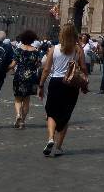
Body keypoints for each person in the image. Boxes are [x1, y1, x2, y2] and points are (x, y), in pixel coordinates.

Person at [39, 23, 87, 157]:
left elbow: (47, 70)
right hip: (71, 84)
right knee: (65, 115)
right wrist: (84, 83)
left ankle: (50, 138)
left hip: (55, 83)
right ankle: (59, 147)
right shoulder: (78, 50)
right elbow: (83, 68)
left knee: (51, 113)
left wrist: (41, 85)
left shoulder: (54, 49)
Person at [12, 29, 41, 129]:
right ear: (33, 39)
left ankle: (18, 115)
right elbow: (38, 65)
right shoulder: (36, 51)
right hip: (31, 76)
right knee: (27, 99)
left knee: (18, 98)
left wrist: (5, 68)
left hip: (19, 75)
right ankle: (23, 121)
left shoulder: (18, 50)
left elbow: (13, 64)